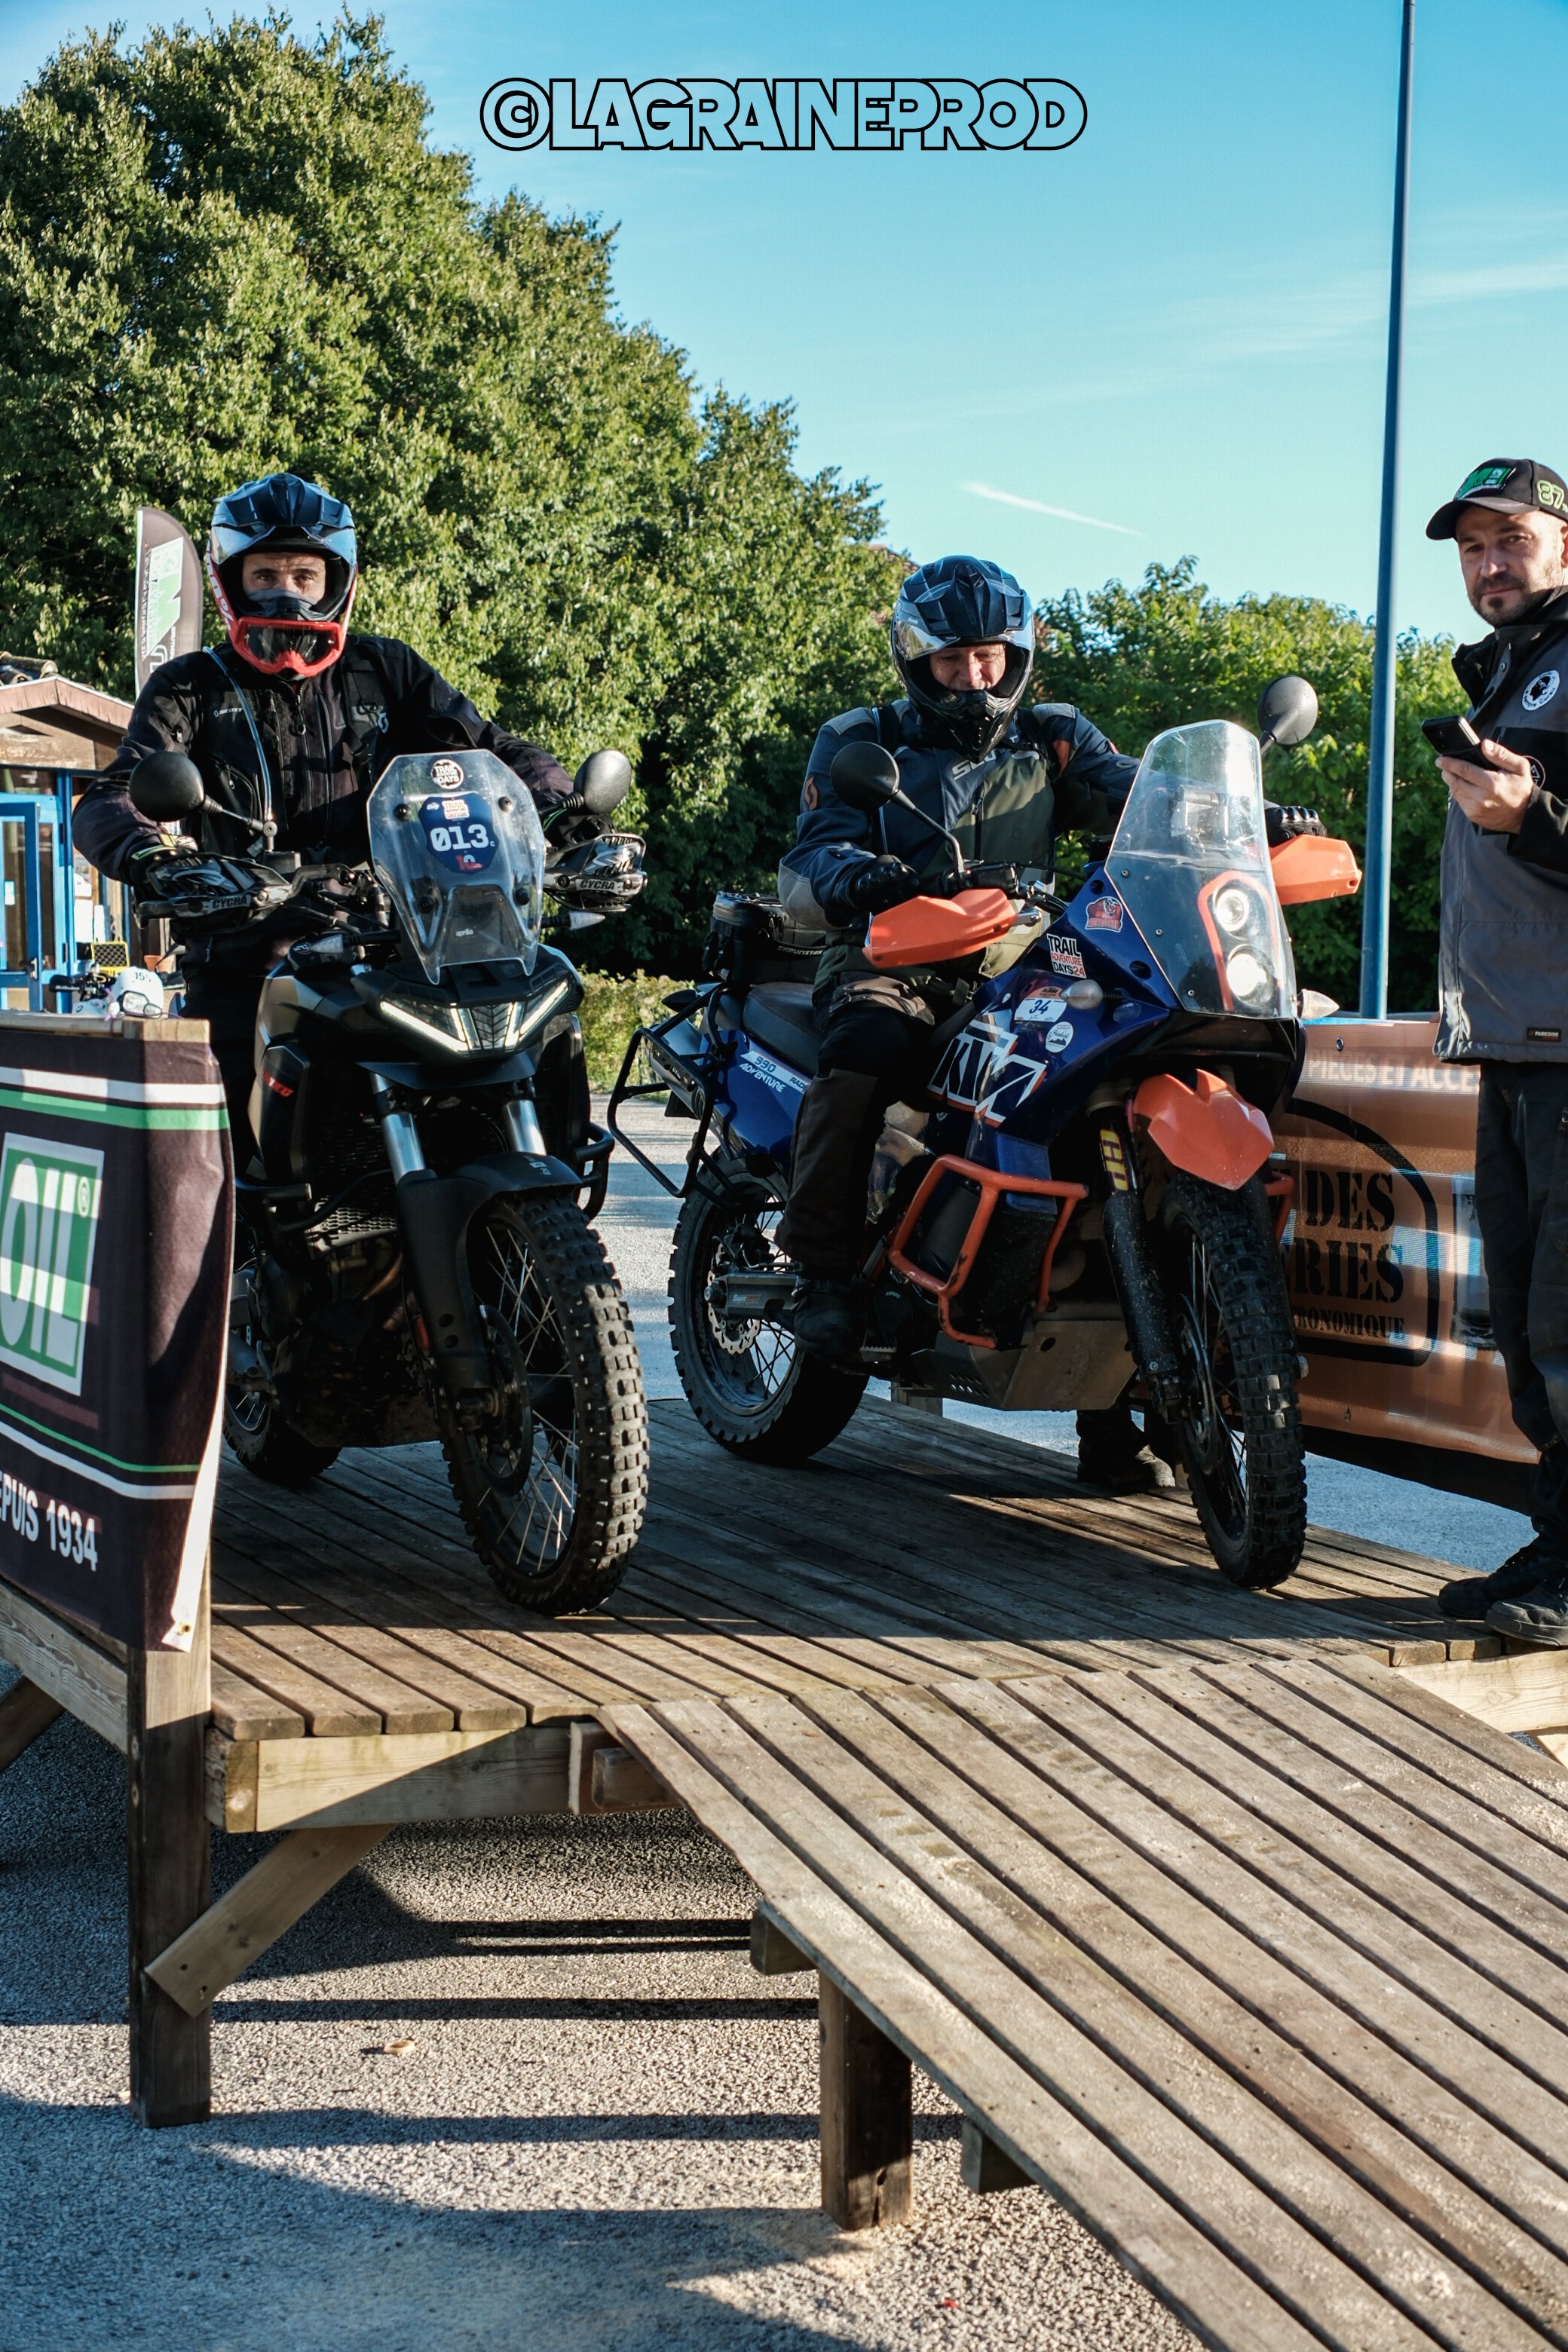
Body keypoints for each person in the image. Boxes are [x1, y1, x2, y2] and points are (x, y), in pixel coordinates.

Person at [776, 556, 1156, 1489]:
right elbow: (814, 850)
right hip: (890, 957)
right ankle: (822, 1272)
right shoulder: (862, 738)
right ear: (916, 658)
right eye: (953, 661)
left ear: (1017, 653)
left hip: (1025, 959)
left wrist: (1232, 812)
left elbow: (1136, 793)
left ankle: (1117, 1416)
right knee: (868, 1040)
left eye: (990, 656)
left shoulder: (1055, 735)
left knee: (1106, 1100)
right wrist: (853, 875)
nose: (975, 676)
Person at [77, 473, 573, 1142]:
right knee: (214, 1155)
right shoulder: (190, 685)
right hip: (247, 953)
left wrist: (562, 810)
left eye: (305, 575)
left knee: (523, 1050)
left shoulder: (385, 671)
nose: (287, 591)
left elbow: (488, 750)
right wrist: (156, 859)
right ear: (231, 580)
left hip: (396, 944)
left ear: (336, 583)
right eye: (267, 574)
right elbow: (115, 793)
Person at [1422, 460, 1568, 1641]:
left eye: (1511, 537)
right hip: (1512, 1044)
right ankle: (1560, 1547)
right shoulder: (1509, 670)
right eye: (1472, 548)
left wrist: (1538, 815)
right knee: (1524, 1321)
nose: (1488, 564)